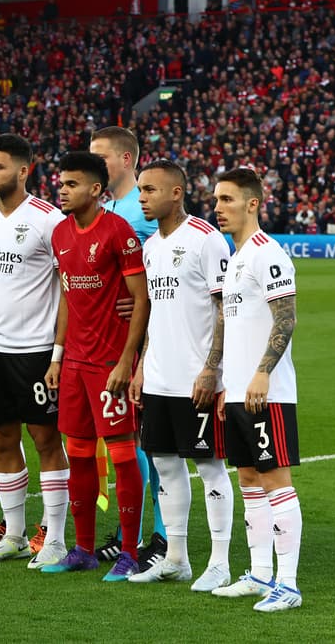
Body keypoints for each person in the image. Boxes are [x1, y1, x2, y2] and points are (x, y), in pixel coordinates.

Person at [38, 151, 149, 581]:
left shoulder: (119, 232)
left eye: (70, 184)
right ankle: (83, 548)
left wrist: (126, 360)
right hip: (74, 365)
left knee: (121, 455)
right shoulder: (62, 233)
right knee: (79, 454)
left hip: (108, 363)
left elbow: (140, 299)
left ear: (96, 190)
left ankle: (129, 552)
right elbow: (67, 294)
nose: (62, 190)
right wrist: (57, 355)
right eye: (61, 183)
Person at [126, 160, 234, 589]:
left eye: (149, 190)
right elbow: (152, 313)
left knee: (209, 467)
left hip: (195, 378)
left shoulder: (206, 240)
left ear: (176, 192)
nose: (142, 198)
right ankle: (176, 558)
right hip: (157, 378)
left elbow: (226, 308)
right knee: (165, 466)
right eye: (139, 191)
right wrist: (141, 368)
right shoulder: (151, 247)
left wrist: (212, 369)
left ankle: (221, 562)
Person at [0, 134, 70, 566]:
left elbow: (67, 289)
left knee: (46, 438)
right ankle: (13, 533)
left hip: (36, 350)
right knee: (1, 436)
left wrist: (57, 354)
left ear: (23, 171)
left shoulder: (49, 221)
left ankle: (55, 539)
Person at [209, 168, 304, 612]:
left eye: (227, 199)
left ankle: (288, 584)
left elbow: (286, 319)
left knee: (275, 481)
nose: (218, 207)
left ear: (252, 203)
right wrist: (228, 384)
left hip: (268, 392)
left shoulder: (268, 254)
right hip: (238, 392)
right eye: (215, 199)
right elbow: (235, 329)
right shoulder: (237, 257)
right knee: (248, 480)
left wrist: (263, 373)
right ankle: (260, 574)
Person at [90, 126, 163, 564]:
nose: (95, 162)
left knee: (150, 441)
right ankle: (128, 528)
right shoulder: (105, 207)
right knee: (121, 439)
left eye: (101, 156)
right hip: (107, 343)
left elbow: (165, 272)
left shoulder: (146, 209)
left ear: (126, 160)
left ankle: (161, 535)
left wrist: (142, 302)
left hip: (144, 343)